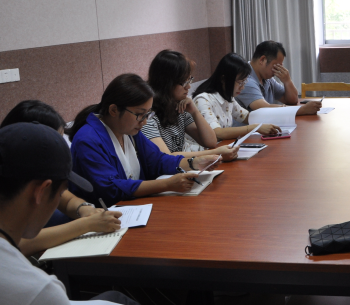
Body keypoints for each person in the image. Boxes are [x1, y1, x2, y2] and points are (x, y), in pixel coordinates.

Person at [0, 122, 275, 305]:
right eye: (60, 191)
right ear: (40, 192)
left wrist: (83, 211)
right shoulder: (36, 292)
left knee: (115, 301)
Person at [68, 74, 220, 206]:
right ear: (114, 110)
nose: (145, 121)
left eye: (148, 114)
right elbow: (110, 188)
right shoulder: (87, 140)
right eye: (140, 114)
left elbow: (158, 160)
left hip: (136, 207)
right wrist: (166, 184)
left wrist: (194, 163)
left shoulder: (129, 130)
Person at [1, 101, 122, 256]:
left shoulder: (35, 170)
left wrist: (85, 209)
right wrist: (86, 225)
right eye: (54, 142)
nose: (60, 149)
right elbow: (14, 243)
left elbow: (66, 199)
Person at [142, 50, 239, 160]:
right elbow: (167, 157)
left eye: (189, 80)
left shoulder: (179, 107)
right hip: (167, 170)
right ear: (166, 83)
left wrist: (195, 112)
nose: (188, 87)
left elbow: (211, 141)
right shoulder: (148, 116)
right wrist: (216, 153)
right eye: (184, 82)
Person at [192, 53, 282, 141]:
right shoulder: (203, 100)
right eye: (240, 82)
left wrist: (278, 118)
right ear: (223, 79)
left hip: (222, 146)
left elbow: (246, 117)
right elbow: (217, 133)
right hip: (205, 149)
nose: (242, 87)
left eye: (244, 82)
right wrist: (255, 127)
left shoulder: (227, 97)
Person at [236, 41, 322, 115]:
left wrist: (287, 81)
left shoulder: (267, 79)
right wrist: (302, 110)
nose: (278, 70)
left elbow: (292, 100)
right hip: (249, 129)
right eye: (276, 66)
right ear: (262, 60)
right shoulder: (245, 80)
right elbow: (264, 109)